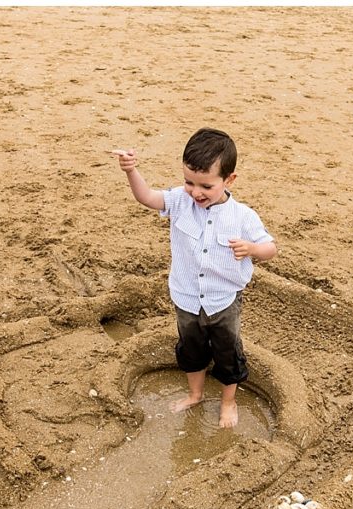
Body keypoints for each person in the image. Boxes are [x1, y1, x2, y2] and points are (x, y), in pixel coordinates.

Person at [112, 128, 277, 428]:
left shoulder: (242, 216)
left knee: (229, 353)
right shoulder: (179, 201)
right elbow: (147, 197)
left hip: (223, 300)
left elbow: (271, 248)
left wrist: (252, 248)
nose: (195, 192)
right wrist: (131, 171)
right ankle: (195, 394)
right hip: (186, 296)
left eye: (206, 185)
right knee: (191, 350)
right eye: (189, 182)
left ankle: (228, 402)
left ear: (229, 180)